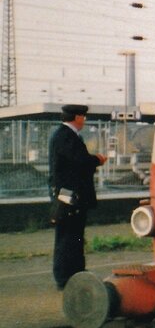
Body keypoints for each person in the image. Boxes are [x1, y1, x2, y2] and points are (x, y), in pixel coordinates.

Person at [48, 104, 107, 290]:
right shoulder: (66, 136)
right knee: (68, 235)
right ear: (78, 118)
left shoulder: (65, 136)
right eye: (83, 117)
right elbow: (79, 162)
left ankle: (76, 272)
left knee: (74, 235)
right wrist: (97, 160)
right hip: (68, 195)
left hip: (72, 194)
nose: (84, 121)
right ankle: (65, 277)